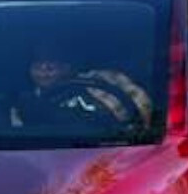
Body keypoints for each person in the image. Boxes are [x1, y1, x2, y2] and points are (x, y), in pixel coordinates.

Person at [13, 40, 154, 131]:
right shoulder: (24, 102)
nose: (44, 71)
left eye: (52, 64)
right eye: (37, 64)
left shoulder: (106, 80)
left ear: (69, 65)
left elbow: (143, 111)